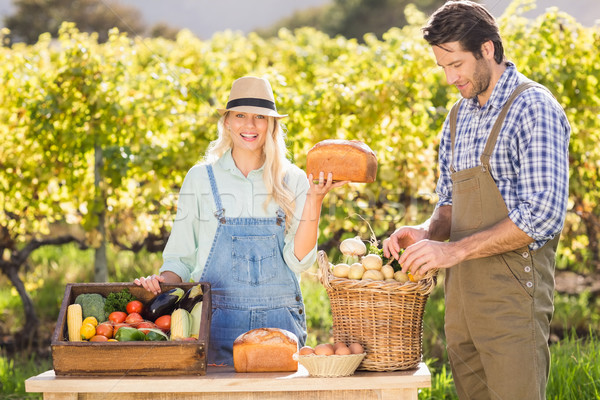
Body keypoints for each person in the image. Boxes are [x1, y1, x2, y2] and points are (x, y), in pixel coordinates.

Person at [382, 1, 570, 399]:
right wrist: (425, 232)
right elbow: (449, 203)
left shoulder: (533, 107)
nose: (451, 77)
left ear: (487, 49)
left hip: (511, 300)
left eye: (457, 64)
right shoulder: (457, 117)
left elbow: (542, 215)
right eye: (442, 67)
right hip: (462, 302)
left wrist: (453, 252)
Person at [135, 76, 346, 365]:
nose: (250, 125)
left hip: (280, 326)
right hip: (215, 323)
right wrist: (160, 282)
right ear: (228, 123)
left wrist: (315, 200)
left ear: (271, 124)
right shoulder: (200, 178)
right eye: (240, 116)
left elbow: (300, 262)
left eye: (260, 117)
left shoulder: (294, 179)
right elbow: (180, 259)